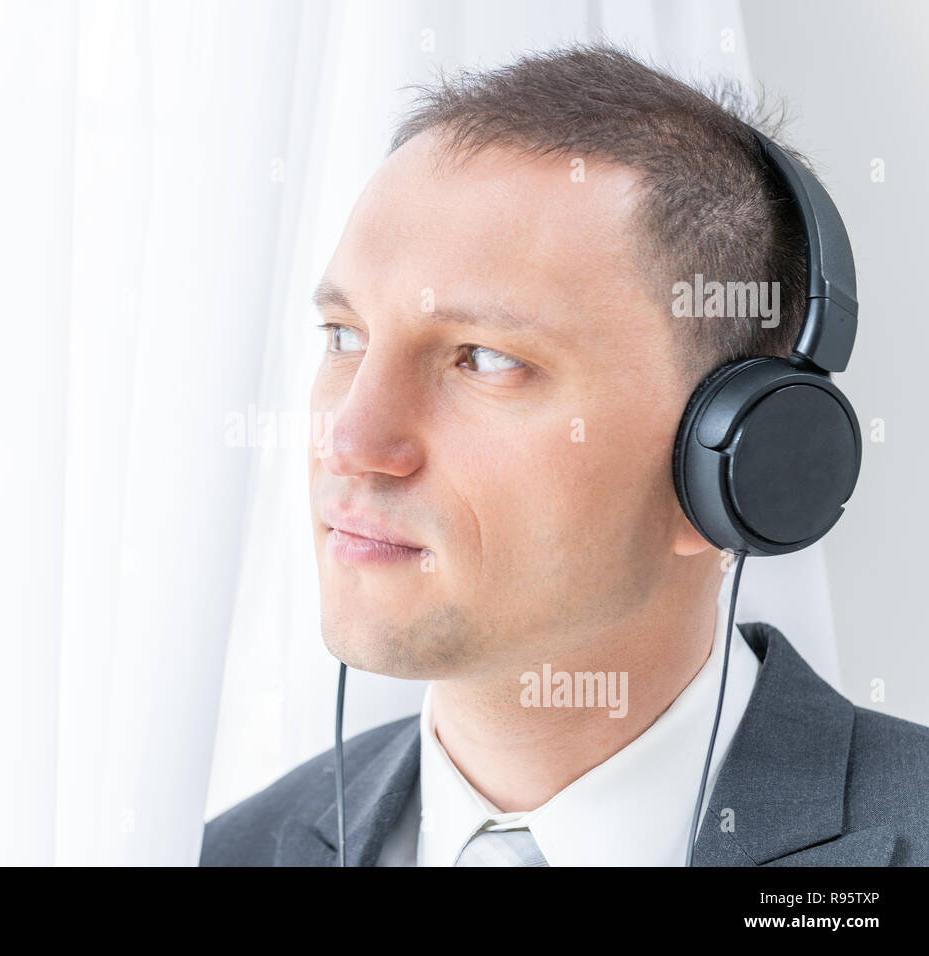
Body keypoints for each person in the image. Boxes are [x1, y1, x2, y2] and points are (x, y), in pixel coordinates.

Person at [199, 44, 929, 867]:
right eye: (345, 336)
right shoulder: (226, 851)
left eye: (484, 358)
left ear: (734, 459)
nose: (352, 443)